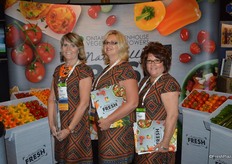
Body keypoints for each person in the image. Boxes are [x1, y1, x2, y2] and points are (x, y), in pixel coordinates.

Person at [92, 30, 139, 163]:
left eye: (114, 42)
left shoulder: (125, 69)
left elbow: (133, 102)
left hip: (119, 134)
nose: (109, 45)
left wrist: (108, 120)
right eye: (106, 42)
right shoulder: (108, 68)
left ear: (121, 46)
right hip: (106, 132)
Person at [47, 32, 94, 164]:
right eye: (65, 45)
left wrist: (69, 129)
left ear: (79, 49)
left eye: (72, 45)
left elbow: (84, 103)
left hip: (76, 127)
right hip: (61, 125)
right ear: (61, 48)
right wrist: (52, 124)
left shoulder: (84, 70)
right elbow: (51, 99)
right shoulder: (57, 70)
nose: (68, 49)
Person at [135, 42, 180, 164]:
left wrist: (165, 143)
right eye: (149, 61)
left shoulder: (168, 83)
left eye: (157, 60)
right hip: (144, 136)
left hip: (159, 138)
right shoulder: (145, 80)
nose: (153, 64)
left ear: (164, 63)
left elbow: (173, 115)